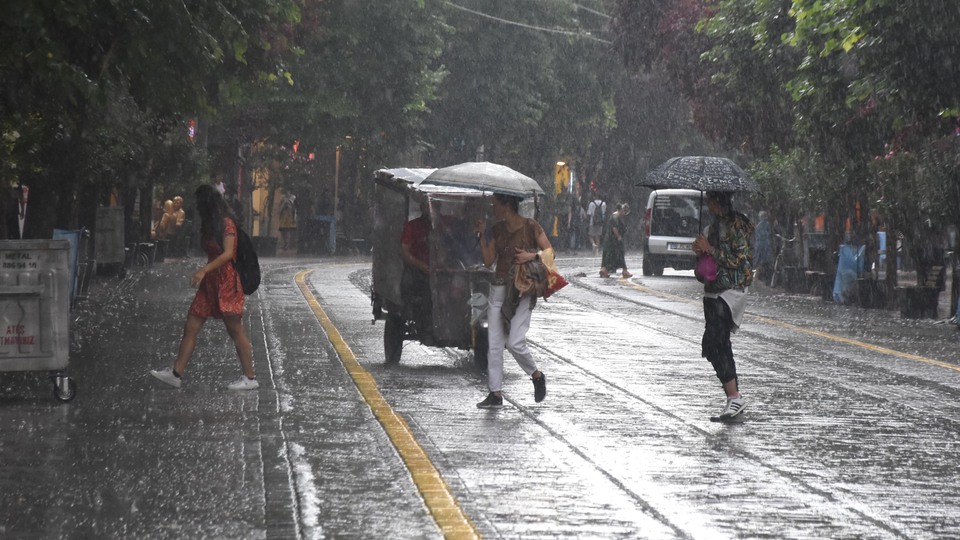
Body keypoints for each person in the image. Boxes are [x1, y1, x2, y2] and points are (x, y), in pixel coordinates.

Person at [150, 184, 258, 391]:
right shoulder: (211, 224)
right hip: (210, 284)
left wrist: (203, 270)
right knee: (191, 325)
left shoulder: (227, 224)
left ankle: (250, 378)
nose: (196, 208)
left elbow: (228, 254)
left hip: (227, 283)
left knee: (235, 330)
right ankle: (176, 373)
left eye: (199, 204)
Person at [474, 193, 551, 409]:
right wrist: (482, 234)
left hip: (522, 291)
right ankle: (495, 394)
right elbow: (489, 261)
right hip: (498, 291)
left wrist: (531, 257)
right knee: (495, 346)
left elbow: (551, 254)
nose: (493, 208)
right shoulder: (497, 230)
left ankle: (536, 375)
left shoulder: (531, 226)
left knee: (515, 341)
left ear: (507, 205)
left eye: (495, 205)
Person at [692, 191, 754, 419]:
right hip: (712, 293)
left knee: (715, 341)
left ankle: (735, 398)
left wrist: (711, 250)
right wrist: (700, 252)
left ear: (719, 201)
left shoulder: (736, 227)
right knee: (714, 346)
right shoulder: (714, 227)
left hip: (729, 293)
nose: (707, 203)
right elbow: (706, 267)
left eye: (710, 199)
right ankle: (733, 398)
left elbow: (742, 262)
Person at [400, 198, 432, 332]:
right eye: (427, 205)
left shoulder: (445, 224)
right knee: (408, 282)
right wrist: (422, 266)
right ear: (422, 206)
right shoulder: (412, 226)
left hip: (442, 271)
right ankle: (411, 313)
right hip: (418, 271)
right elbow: (405, 252)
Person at [599, 203, 632, 279]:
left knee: (609, 256)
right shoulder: (615, 216)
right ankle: (624, 271)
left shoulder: (617, 216)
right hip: (613, 240)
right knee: (617, 255)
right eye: (624, 212)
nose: (624, 214)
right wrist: (618, 236)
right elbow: (614, 228)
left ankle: (604, 270)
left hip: (611, 240)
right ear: (621, 210)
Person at [753, 211, 773, 283]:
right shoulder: (766, 225)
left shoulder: (758, 226)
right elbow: (768, 233)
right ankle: (758, 278)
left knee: (759, 262)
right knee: (764, 262)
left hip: (759, 245)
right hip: (764, 245)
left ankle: (757, 277)